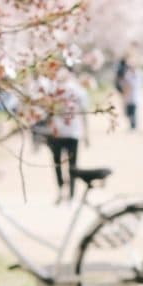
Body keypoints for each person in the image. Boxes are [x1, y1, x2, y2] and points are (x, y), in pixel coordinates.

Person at [47, 67, 90, 202]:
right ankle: (70, 194)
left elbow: (48, 111)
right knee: (72, 165)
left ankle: (62, 190)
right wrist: (86, 133)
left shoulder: (53, 89)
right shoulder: (78, 90)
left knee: (58, 164)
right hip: (72, 132)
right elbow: (84, 113)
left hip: (59, 133)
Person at [119, 56, 143, 131]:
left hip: (135, 95)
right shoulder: (128, 73)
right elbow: (124, 83)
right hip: (127, 95)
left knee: (133, 112)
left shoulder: (139, 73)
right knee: (127, 112)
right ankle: (131, 125)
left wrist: (129, 86)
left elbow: (138, 84)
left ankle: (133, 126)